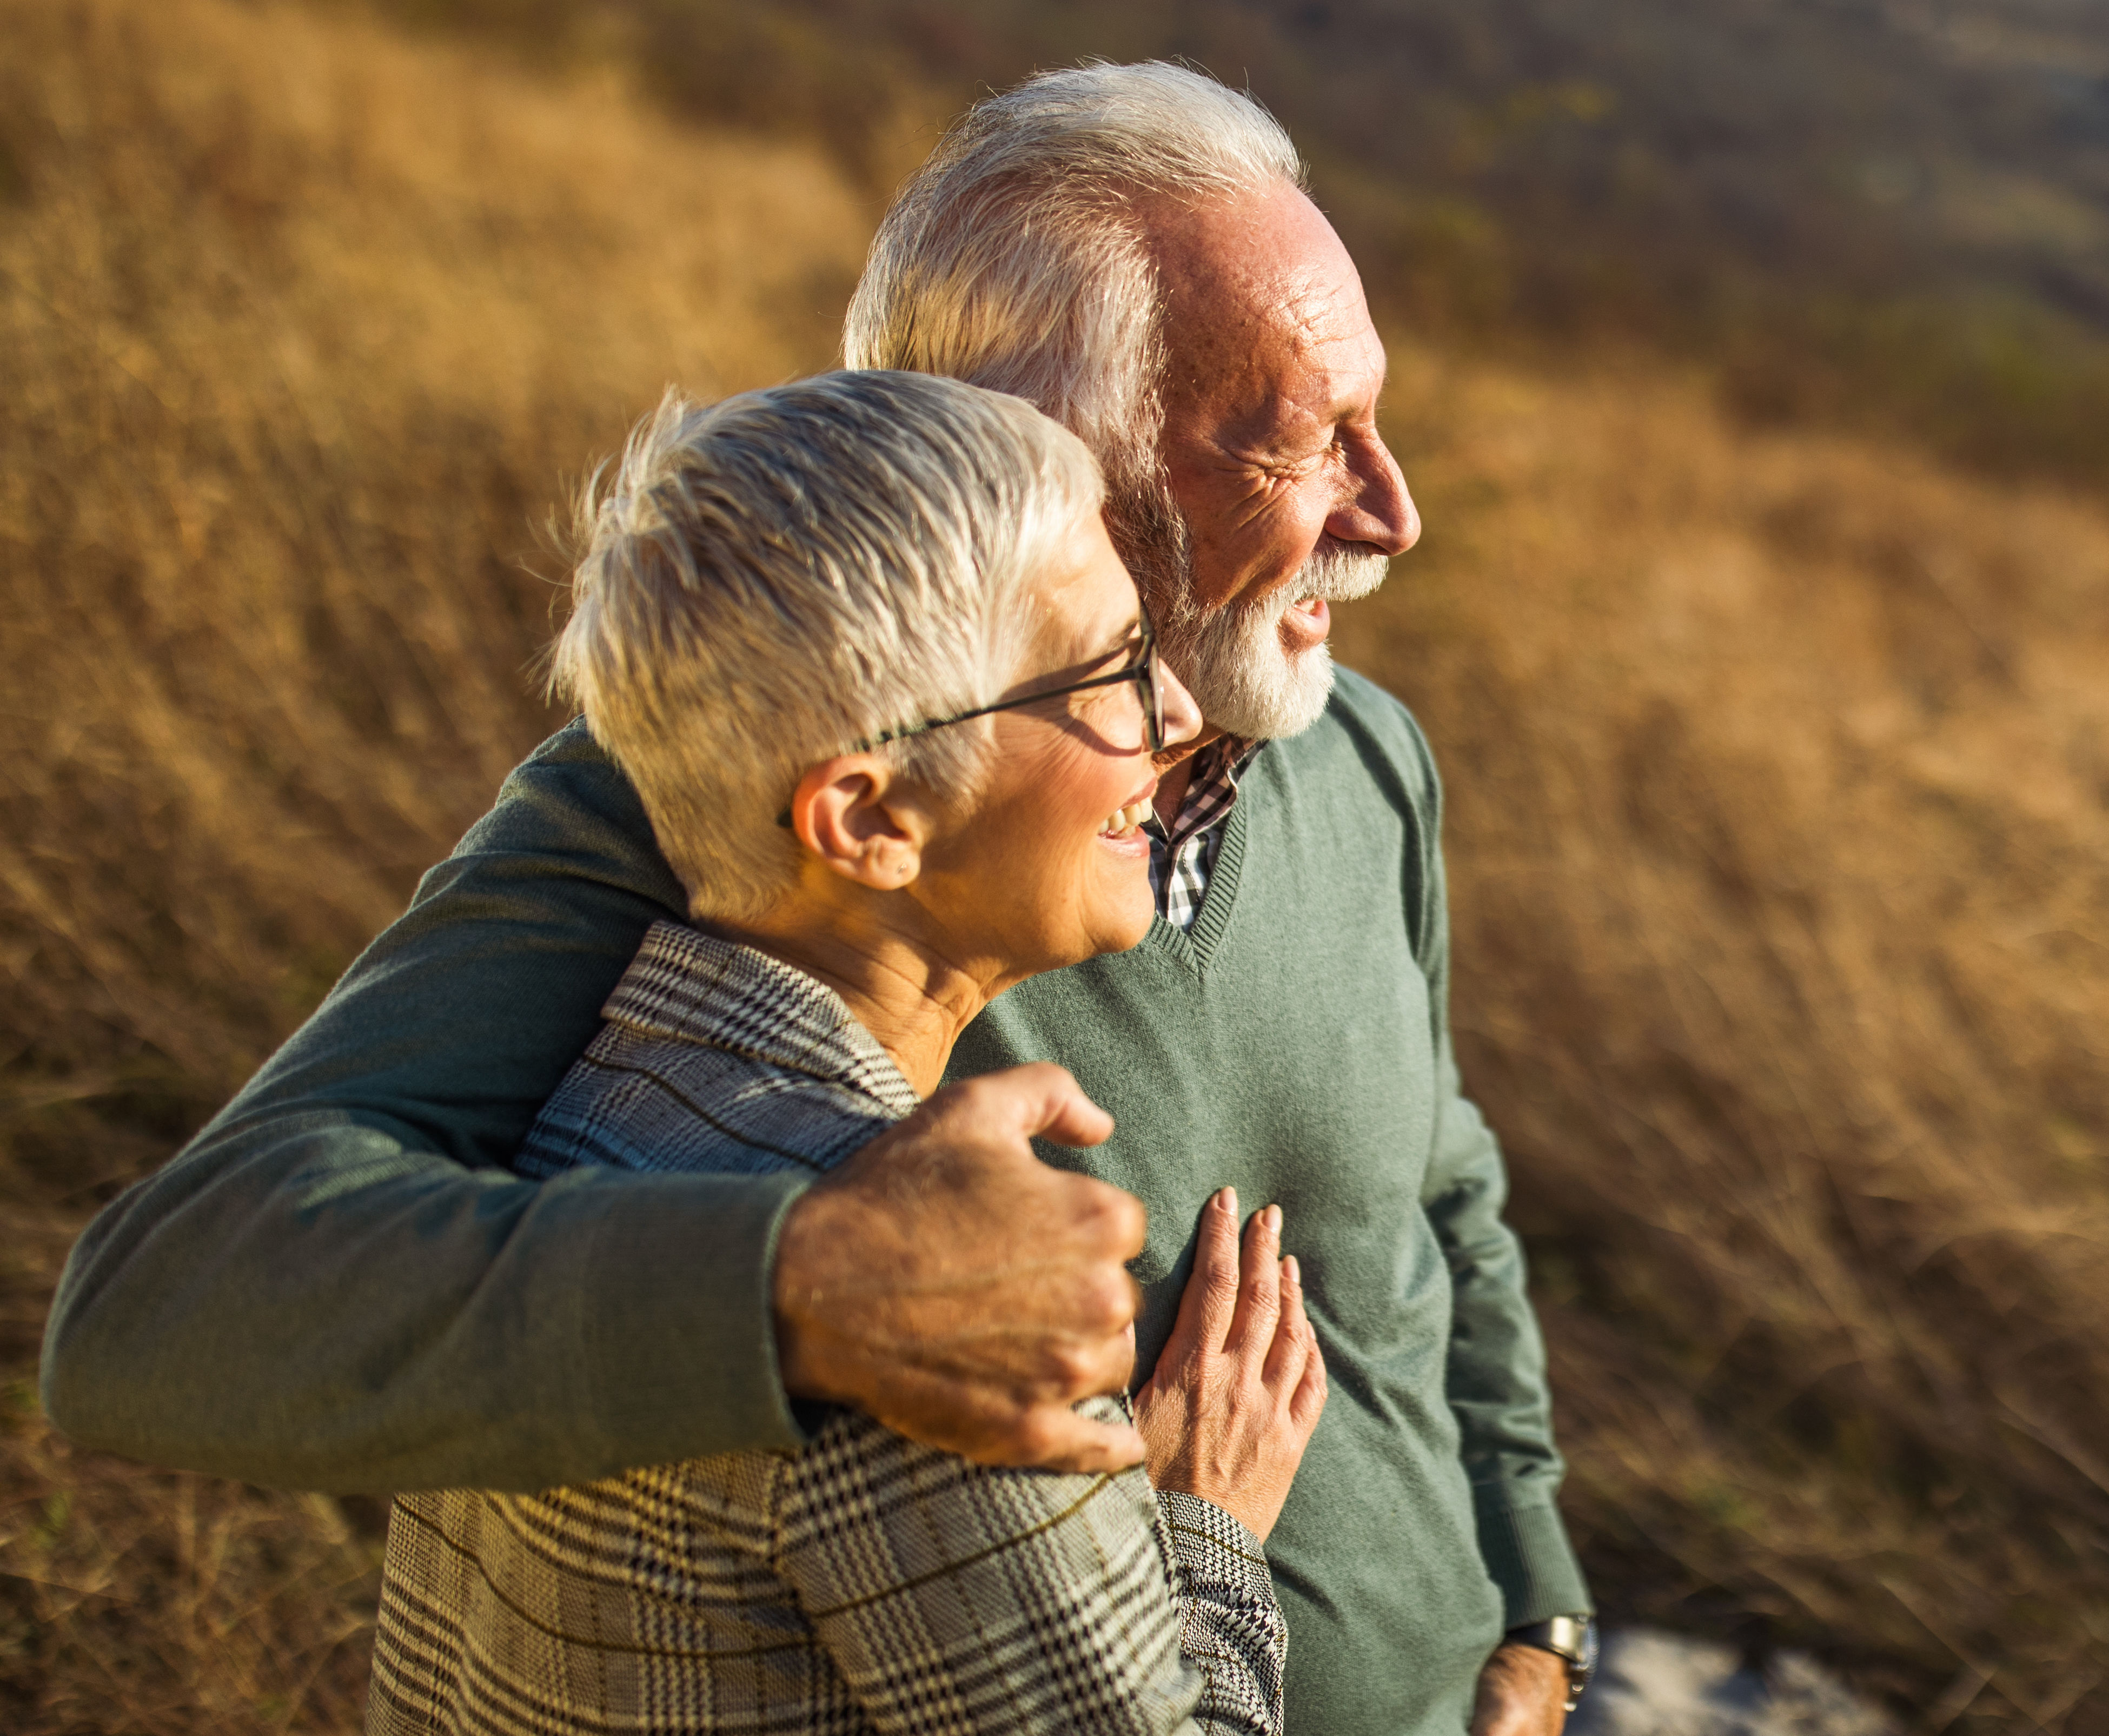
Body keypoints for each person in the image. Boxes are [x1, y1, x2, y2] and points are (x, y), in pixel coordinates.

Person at [44, 60, 1594, 1736]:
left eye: (1378, 422)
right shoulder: (715, 809)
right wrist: (803, 1281)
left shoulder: (1366, 755)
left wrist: (1536, 1617)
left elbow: (1440, 1196)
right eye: (1302, 439)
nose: (1395, 514)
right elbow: (165, 1313)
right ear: (1035, 455)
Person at [373, 369, 1319, 1734]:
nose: (1175, 720)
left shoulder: (558, 1106)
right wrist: (1204, 1527)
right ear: (870, 819)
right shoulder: (934, 1316)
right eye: (1109, 669)